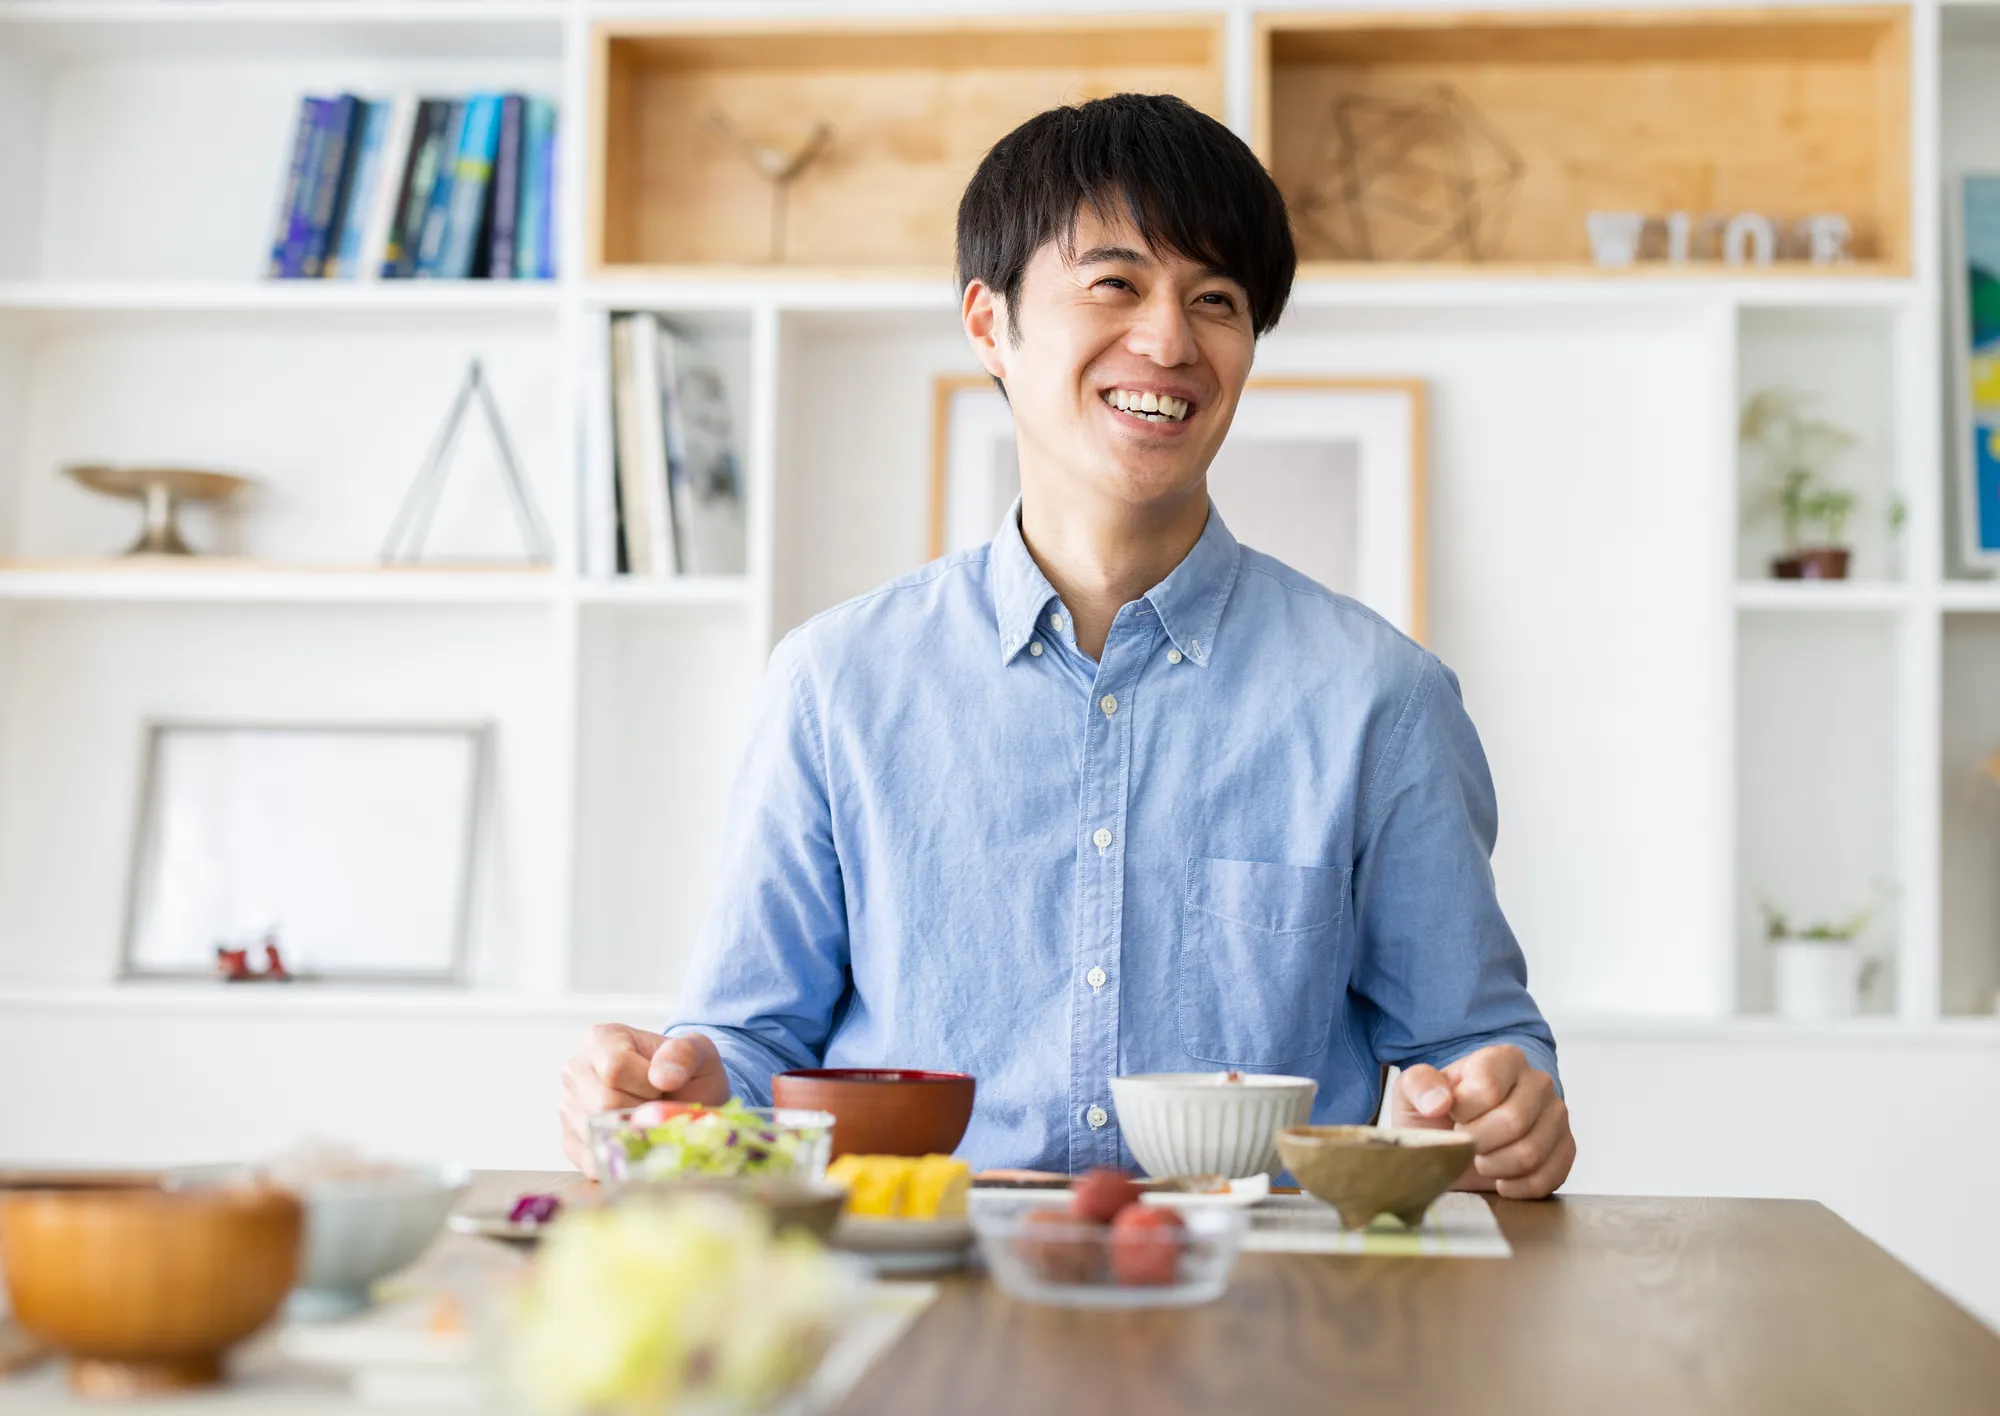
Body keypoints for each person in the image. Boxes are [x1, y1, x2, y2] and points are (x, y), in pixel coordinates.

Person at [561, 94, 1575, 1198]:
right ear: (988, 324)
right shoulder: (832, 683)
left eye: (1216, 300)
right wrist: (682, 1089)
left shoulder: (1382, 700)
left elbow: (1473, 1052)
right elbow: (752, 1057)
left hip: (1258, 1326)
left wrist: (1499, 1108)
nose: (1169, 341)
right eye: (1114, 284)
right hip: (917, 1305)